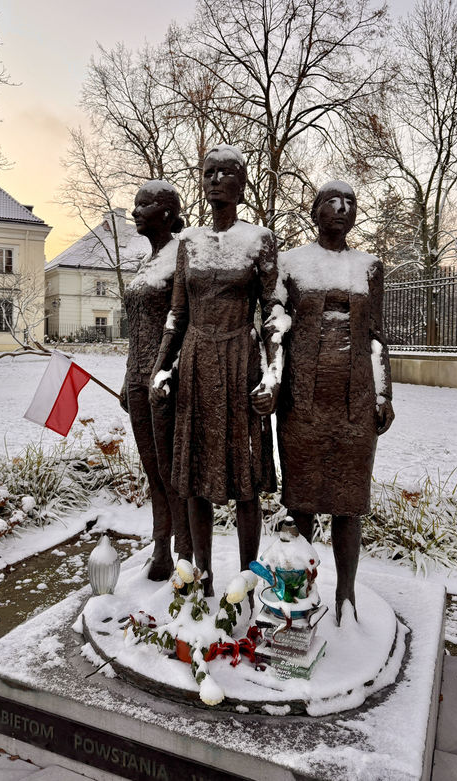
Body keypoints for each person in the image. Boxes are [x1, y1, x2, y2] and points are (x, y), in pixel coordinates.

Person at [149, 145, 284, 596]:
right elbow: (176, 314)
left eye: (227, 172)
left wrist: (272, 375)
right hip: (194, 363)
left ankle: (249, 578)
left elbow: (273, 313)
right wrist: (161, 369)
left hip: (239, 362)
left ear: (242, 185)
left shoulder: (259, 239)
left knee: (244, 479)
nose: (216, 180)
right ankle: (201, 576)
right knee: (194, 478)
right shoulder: (188, 244)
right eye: (209, 172)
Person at [276, 180, 394, 625]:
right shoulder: (292, 265)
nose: (342, 209)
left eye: (350, 203)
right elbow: (277, 329)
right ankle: (299, 591)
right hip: (302, 404)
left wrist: (383, 393)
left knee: (349, 501)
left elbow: (377, 337)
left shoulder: (369, 267)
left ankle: (346, 596)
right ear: (315, 211)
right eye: (332, 202)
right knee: (301, 501)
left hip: (355, 404)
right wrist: (270, 381)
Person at [121, 180, 192, 580]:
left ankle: (183, 551)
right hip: (136, 376)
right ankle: (160, 544)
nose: (134, 212)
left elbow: (184, 322)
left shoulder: (182, 256)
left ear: (165, 213)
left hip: (165, 379)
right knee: (152, 470)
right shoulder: (148, 262)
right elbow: (138, 329)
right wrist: (125, 379)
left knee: (171, 469)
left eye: (142, 205)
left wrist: (168, 370)